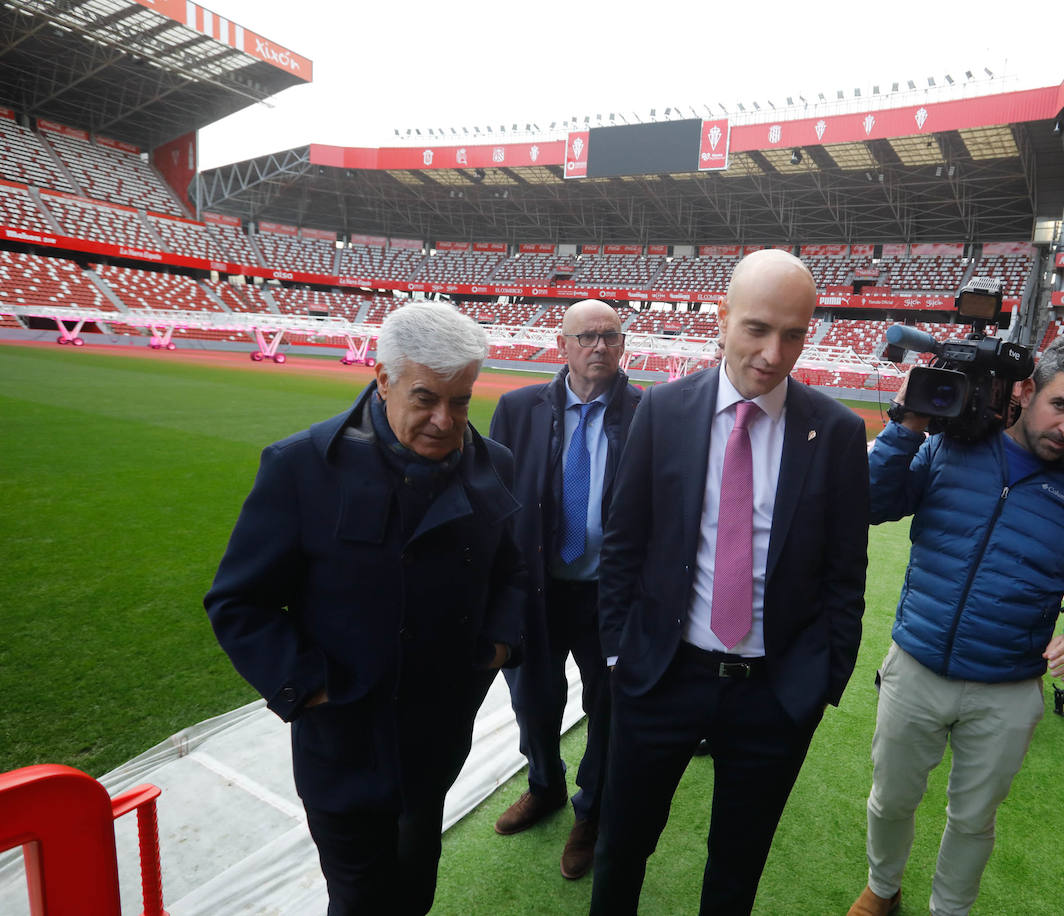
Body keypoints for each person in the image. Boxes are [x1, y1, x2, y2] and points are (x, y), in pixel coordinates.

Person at [204, 301, 524, 915]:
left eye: (461, 401)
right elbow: (238, 602)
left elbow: (513, 570)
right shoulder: (301, 466)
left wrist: (497, 647)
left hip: (436, 738)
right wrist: (314, 689)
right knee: (360, 899)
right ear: (382, 379)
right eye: (426, 397)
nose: (444, 420)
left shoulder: (492, 463)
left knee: (415, 891)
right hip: (344, 746)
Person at [591, 249, 870, 914]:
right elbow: (624, 545)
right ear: (721, 320)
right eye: (757, 328)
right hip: (661, 675)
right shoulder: (661, 413)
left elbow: (845, 574)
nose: (774, 353)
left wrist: (821, 680)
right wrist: (616, 652)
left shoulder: (835, 433)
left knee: (737, 866)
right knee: (623, 845)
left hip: (773, 693)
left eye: (795, 334)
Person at [847, 332, 1064, 916]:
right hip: (916, 665)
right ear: (1027, 391)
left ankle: (949, 911)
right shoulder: (949, 448)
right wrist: (907, 424)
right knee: (889, 801)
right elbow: (869, 504)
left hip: (1007, 688)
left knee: (973, 820)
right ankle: (882, 889)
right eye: (1061, 405)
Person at [487, 299, 642, 880]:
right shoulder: (517, 408)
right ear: (563, 344)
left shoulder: (648, 414)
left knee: (606, 708)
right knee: (533, 699)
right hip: (538, 592)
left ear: (622, 345)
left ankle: (591, 809)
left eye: (609, 336)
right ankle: (544, 784)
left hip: (610, 595)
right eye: (586, 337)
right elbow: (497, 504)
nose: (598, 346)